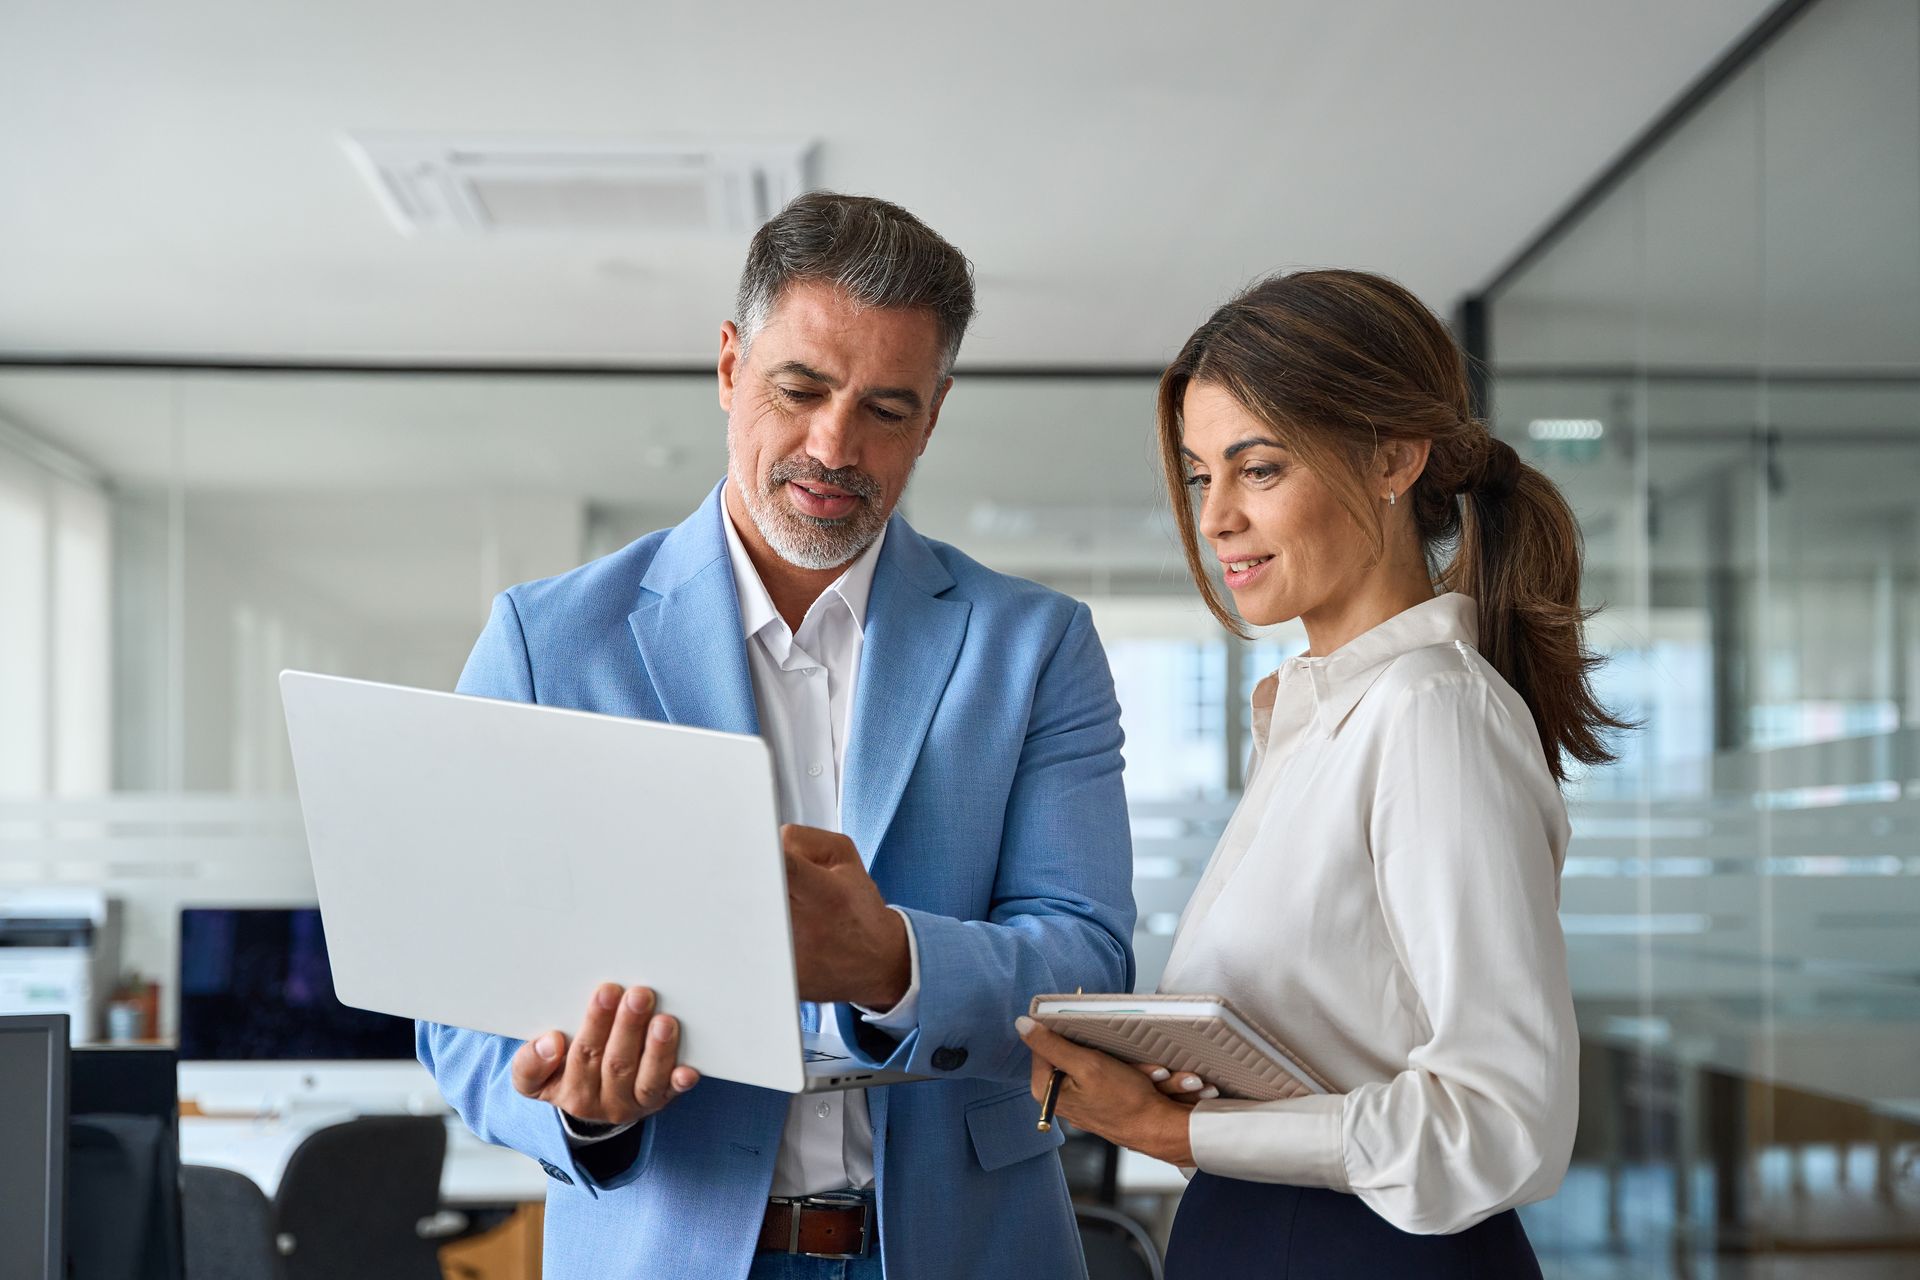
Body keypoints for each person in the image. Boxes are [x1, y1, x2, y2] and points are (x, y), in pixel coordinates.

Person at [419, 192, 1135, 1280]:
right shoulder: (549, 641)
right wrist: (582, 1107)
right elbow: (456, 1000)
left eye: (888, 409)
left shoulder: (1034, 646)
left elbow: (1089, 963)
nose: (834, 443)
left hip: (968, 1249)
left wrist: (891, 961)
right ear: (726, 365)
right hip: (670, 1246)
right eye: (800, 388)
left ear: (935, 415)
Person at [1018, 269, 1626, 1277]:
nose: (1214, 518)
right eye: (1201, 473)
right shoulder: (1322, 717)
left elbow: (1505, 1118)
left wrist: (1179, 1134)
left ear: (1393, 456)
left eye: (1256, 468)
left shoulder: (1430, 711)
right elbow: (1346, 1043)